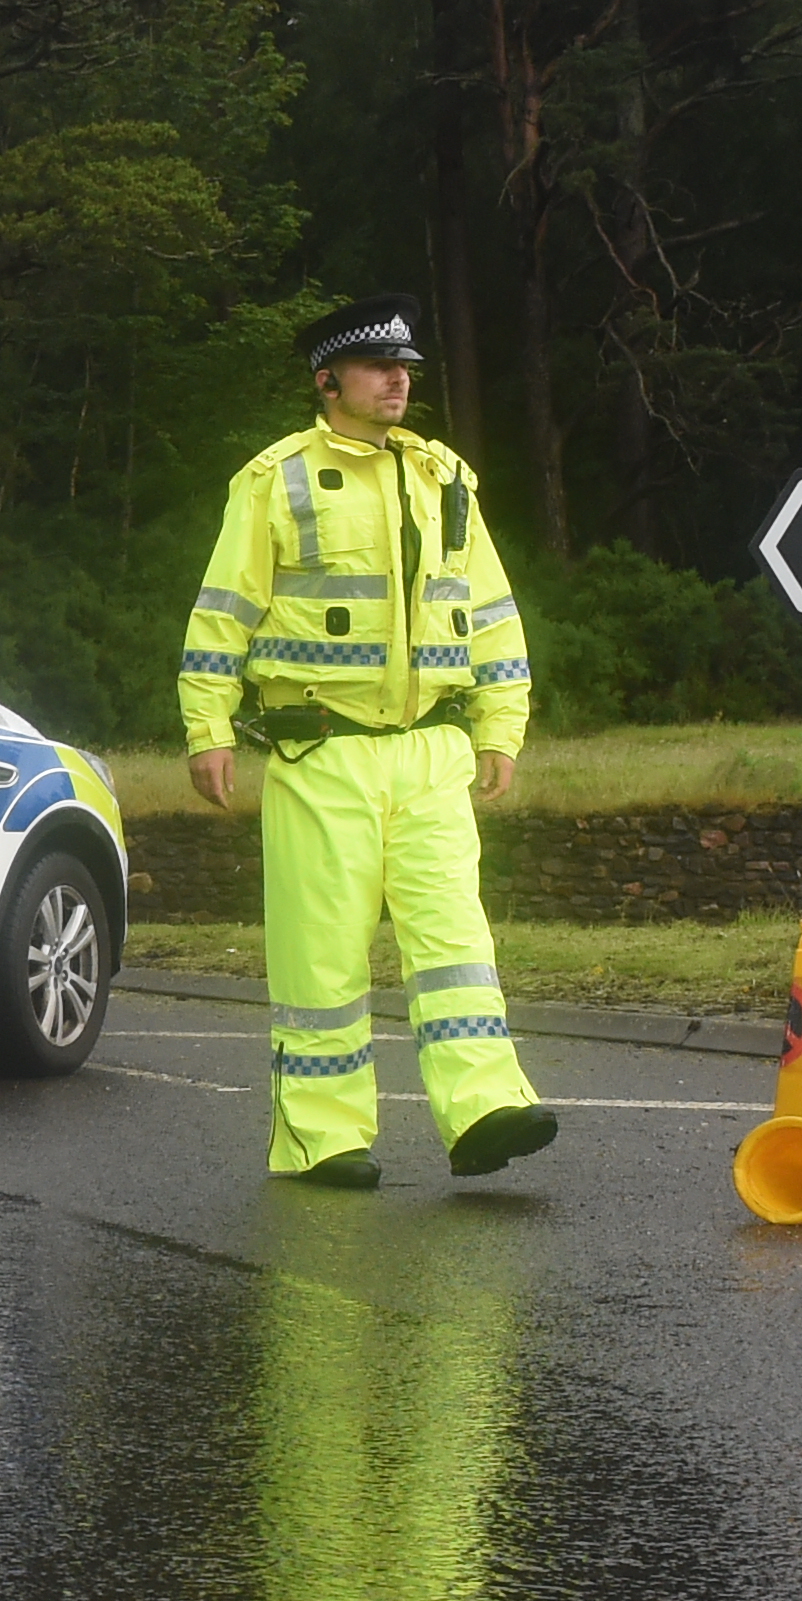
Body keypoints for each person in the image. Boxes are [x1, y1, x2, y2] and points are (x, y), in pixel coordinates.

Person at [176, 299, 557, 1191]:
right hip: (321, 748)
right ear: (328, 381)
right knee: (321, 954)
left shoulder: (443, 476)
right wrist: (207, 726)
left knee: (455, 937)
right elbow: (222, 609)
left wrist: (502, 723)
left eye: (407, 366)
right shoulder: (278, 479)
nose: (399, 380)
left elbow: (491, 611)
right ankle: (321, 1137)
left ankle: (487, 1109)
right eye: (379, 366)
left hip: (432, 749)